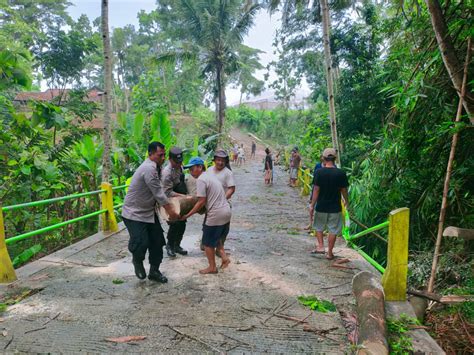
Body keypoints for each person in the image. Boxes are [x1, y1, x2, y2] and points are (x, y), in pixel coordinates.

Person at [122, 142, 179, 282]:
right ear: (151, 154)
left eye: (164, 154)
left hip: (148, 212)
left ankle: (154, 271)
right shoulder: (148, 168)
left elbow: (159, 193)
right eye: (160, 155)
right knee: (141, 243)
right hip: (134, 213)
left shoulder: (157, 168)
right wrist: (171, 212)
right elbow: (158, 194)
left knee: (157, 241)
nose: (163, 157)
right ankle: (137, 260)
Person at [181, 157, 231, 274]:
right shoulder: (210, 175)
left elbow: (201, 201)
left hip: (216, 213)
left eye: (192, 169)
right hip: (226, 211)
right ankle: (224, 258)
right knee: (217, 237)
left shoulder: (201, 180)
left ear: (199, 167)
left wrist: (187, 215)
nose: (190, 172)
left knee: (207, 243)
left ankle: (212, 267)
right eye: (189, 170)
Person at [309, 148, 349, 260]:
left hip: (321, 205)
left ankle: (321, 246)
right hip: (335, 207)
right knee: (333, 230)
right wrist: (346, 201)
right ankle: (330, 253)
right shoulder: (341, 173)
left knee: (319, 226)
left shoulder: (318, 172)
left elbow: (316, 189)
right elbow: (344, 190)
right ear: (335, 158)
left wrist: (312, 204)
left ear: (324, 158)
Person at [161, 147, 188, 258]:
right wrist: (183, 196)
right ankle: (170, 245)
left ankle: (177, 245)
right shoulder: (166, 173)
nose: (179, 164)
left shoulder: (180, 167)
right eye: (176, 162)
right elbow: (167, 192)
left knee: (182, 222)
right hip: (170, 200)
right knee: (174, 224)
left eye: (180, 161)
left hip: (181, 200)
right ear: (170, 159)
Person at [208, 150, 236, 255]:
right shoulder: (209, 170)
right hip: (210, 204)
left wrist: (222, 199)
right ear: (214, 160)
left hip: (224, 205)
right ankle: (207, 244)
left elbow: (231, 189)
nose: (220, 162)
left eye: (222, 161)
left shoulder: (228, 173)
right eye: (218, 160)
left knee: (223, 228)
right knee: (209, 226)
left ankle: (220, 249)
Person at [304, 156, 325, 230]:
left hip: (326, 191)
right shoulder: (318, 166)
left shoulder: (333, 167)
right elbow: (315, 181)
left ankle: (320, 227)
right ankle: (310, 223)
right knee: (311, 208)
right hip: (317, 189)